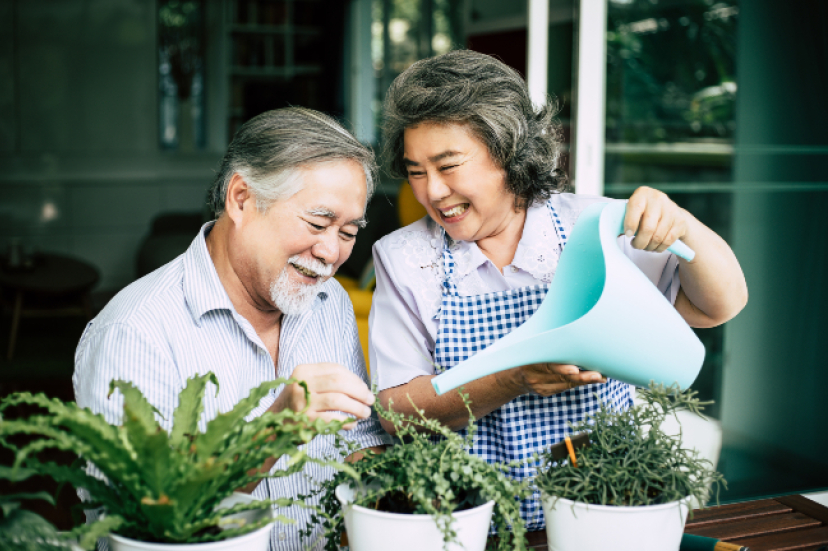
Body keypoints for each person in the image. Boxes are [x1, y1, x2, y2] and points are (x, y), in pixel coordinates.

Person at [369, 50, 748, 531]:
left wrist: (685, 226)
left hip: (602, 507)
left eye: (448, 166)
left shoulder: (593, 227)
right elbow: (398, 412)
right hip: (472, 523)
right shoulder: (404, 258)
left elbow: (718, 306)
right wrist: (514, 377)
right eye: (416, 171)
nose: (432, 192)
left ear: (506, 150)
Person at [73, 107, 391, 550]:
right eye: (318, 223)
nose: (330, 252)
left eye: (349, 231)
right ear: (241, 198)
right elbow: (134, 528)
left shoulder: (329, 301)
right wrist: (272, 431)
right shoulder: (134, 332)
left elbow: (361, 440)